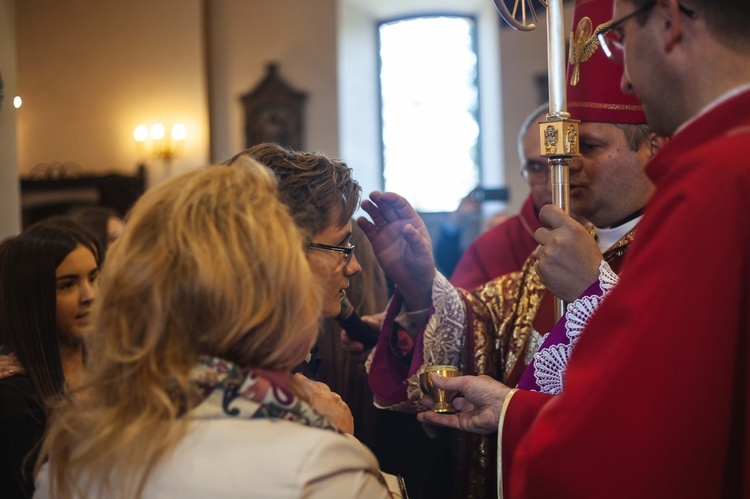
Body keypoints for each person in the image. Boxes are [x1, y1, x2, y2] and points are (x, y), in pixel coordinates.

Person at [418, 0, 750, 497]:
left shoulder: (717, 182)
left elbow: (651, 428)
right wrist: (511, 408)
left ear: (669, 21)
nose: (625, 80)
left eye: (618, 37)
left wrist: (593, 292)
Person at [360, 1, 667, 494]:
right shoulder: (565, 245)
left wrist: (593, 291)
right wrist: (420, 283)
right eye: (557, 151)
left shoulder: (679, 245)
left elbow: (667, 394)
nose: (566, 168)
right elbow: (485, 329)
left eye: (587, 146)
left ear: (653, 145)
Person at [34, 161, 403, 498]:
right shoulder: (318, 470)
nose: (352, 267)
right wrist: (341, 442)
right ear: (270, 291)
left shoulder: (71, 457)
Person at [0, 217, 99, 499]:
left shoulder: (115, 371)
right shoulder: (16, 398)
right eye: (67, 285)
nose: (89, 295)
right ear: (35, 296)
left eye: (93, 277)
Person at [447, 104, 552, 290]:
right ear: (524, 170)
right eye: (537, 168)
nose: (553, 184)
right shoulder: (490, 248)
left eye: (566, 166)